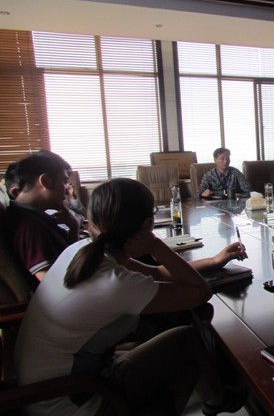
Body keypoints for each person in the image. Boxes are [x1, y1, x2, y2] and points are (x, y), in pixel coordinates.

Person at [15, 178, 247, 416]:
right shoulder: (114, 282)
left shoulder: (80, 251)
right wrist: (155, 245)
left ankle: (216, 400)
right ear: (148, 224)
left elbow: (157, 273)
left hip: (51, 389)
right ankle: (219, 400)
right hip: (74, 402)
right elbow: (201, 293)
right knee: (186, 341)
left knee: (179, 339)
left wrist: (213, 261)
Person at [3, 151, 81, 282]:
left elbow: (69, 259)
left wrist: (74, 228)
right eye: (64, 181)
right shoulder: (30, 227)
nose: (67, 190)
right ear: (45, 181)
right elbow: (55, 284)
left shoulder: (33, 217)